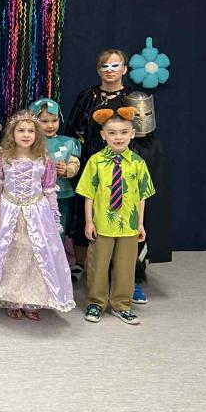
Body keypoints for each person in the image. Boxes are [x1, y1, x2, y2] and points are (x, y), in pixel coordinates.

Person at [0, 110, 75, 320]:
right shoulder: (3, 158)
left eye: (30, 131)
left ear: (37, 134)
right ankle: (13, 299)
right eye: (21, 130)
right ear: (12, 134)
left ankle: (32, 299)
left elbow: (49, 190)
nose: (26, 135)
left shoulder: (44, 159)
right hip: (10, 210)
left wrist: (54, 216)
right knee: (13, 254)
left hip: (37, 211)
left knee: (35, 254)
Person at [77, 108, 154, 325]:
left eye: (123, 132)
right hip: (103, 224)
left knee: (125, 266)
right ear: (103, 135)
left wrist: (140, 224)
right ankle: (96, 302)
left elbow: (142, 196)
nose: (118, 137)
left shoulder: (138, 163)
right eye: (112, 133)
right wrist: (89, 221)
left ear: (132, 134)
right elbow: (89, 194)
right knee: (98, 265)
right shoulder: (96, 162)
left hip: (129, 225)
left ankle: (122, 304)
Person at [65, 49, 133, 267]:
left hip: (120, 165)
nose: (109, 70)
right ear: (98, 70)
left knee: (119, 210)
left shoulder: (132, 98)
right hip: (89, 162)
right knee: (83, 210)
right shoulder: (87, 96)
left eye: (115, 65)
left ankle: (120, 268)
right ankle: (81, 265)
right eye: (105, 66)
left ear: (124, 69)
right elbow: (72, 130)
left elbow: (142, 134)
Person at [127, 92, 171, 304]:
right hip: (119, 202)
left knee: (139, 239)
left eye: (146, 113)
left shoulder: (155, 146)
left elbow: (157, 181)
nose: (141, 119)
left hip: (144, 204)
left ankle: (135, 279)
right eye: (136, 114)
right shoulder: (119, 143)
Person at [29, 98, 81, 248]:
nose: (50, 125)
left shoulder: (68, 143)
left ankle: (57, 258)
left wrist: (67, 170)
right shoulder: (28, 142)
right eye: (44, 121)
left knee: (58, 231)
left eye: (54, 120)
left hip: (61, 195)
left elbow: (75, 163)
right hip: (34, 196)